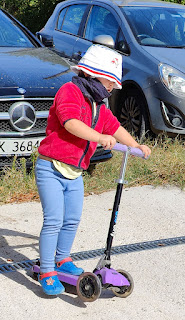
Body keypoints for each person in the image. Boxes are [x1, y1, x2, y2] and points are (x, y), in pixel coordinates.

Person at [35, 44, 151, 296]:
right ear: (91, 73)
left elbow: (114, 127)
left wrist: (135, 145)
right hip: (51, 168)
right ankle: (46, 270)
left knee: (72, 219)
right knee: (54, 220)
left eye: (113, 84)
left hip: (75, 172)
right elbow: (71, 123)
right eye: (109, 81)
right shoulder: (71, 92)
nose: (111, 87)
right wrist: (98, 137)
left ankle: (63, 258)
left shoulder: (99, 103)